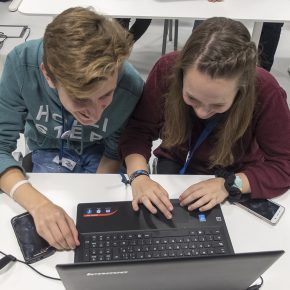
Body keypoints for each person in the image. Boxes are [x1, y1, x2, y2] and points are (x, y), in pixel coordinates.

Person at [0, 7, 144, 250]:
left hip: (100, 158)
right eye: (80, 100)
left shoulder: (129, 84)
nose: (96, 114)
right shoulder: (22, 65)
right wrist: (39, 206)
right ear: (48, 76)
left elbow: (113, 151)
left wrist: (91, 205)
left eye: (106, 95)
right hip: (46, 149)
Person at [119, 17, 290, 220]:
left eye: (218, 105)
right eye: (192, 98)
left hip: (237, 170)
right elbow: (139, 130)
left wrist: (230, 184)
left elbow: (284, 163)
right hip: (176, 160)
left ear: (242, 88)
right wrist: (139, 176)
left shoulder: (265, 90)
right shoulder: (166, 70)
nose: (201, 112)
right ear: (181, 74)